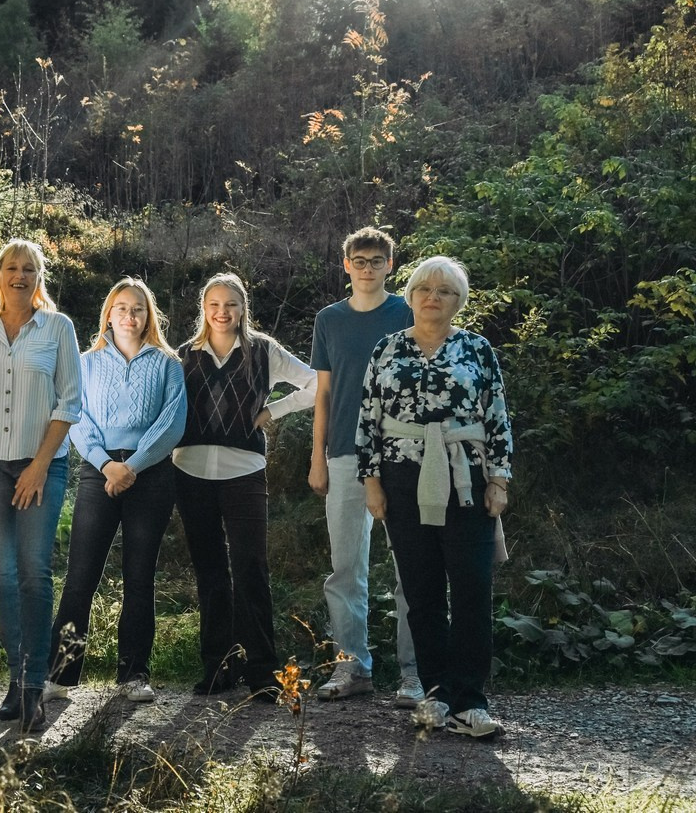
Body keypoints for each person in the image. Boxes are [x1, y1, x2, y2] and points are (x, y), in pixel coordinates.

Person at [357, 255, 513, 738]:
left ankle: (471, 700)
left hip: (466, 478)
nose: (433, 297)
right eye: (425, 288)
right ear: (411, 295)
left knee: (471, 590)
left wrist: (499, 479)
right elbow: (367, 418)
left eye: (445, 291)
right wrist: (372, 481)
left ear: (458, 301)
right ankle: (435, 694)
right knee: (421, 592)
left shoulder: (477, 350)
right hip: (402, 480)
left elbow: (498, 416)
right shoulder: (387, 348)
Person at [0, 238, 80, 732]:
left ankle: (33, 691)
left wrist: (40, 465)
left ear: (38, 277)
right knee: (4, 576)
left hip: (39, 465)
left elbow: (69, 403)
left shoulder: (58, 328)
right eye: (11, 267)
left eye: (29, 269)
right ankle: (15, 680)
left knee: (34, 573)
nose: (19, 275)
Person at [173, 273, 317, 699]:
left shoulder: (264, 351)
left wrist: (274, 411)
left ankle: (261, 671)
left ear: (243, 307)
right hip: (191, 470)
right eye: (214, 303)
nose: (223, 312)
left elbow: (315, 383)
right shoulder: (183, 355)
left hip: (245, 470)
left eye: (231, 304)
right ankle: (218, 668)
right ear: (204, 307)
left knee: (251, 567)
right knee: (210, 571)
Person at [45, 278, 186, 706]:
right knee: (80, 577)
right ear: (109, 313)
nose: (129, 315)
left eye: (138, 309)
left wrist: (133, 466)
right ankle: (61, 674)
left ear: (149, 316)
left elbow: (172, 423)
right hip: (97, 472)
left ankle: (134, 675)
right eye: (122, 307)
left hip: (151, 476)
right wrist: (107, 465)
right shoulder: (86, 363)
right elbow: (76, 416)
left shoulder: (167, 364)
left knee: (139, 578)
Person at [309, 227, 422, 706]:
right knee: (345, 567)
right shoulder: (329, 320)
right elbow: (324, 393)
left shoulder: (408, 312)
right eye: (360, 259)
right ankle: (352, 666)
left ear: (390, 265)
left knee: (412, 565)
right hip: (343, 452)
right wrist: (317, 456)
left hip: (402, 453)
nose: (368, 266)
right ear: (346, 264)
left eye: (377, 260)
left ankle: (416, 674)